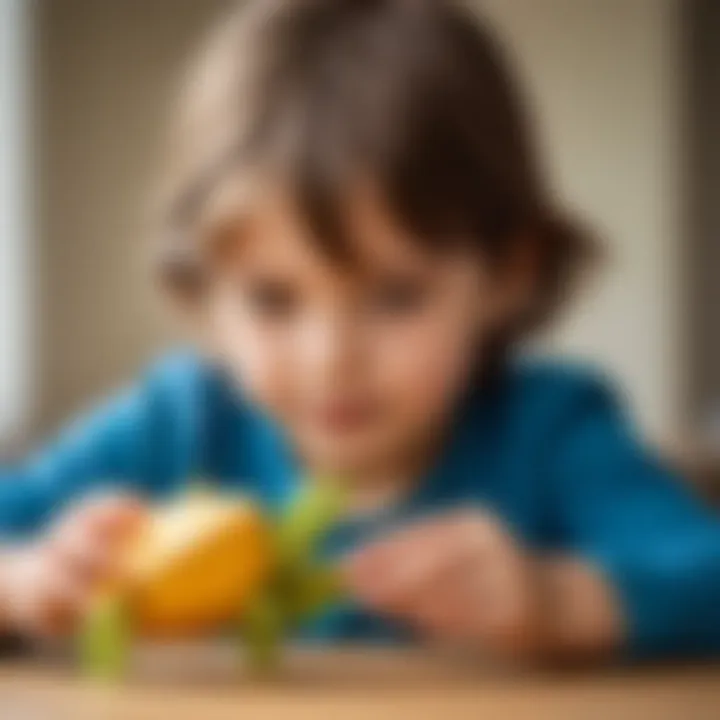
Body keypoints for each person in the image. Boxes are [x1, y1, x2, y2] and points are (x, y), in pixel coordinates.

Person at [1, 0, 719, 664]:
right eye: (274, 300)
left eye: (397, 297)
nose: (331, 359)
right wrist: (25, 582)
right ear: (202, 289)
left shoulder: (549, 431)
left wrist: (558, 599)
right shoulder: (179, 426)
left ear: (508, 271)